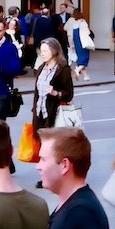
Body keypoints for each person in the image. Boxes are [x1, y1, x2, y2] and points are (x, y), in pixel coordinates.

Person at [33, 38, 73, 187]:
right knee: (43, 147)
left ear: (54, 51)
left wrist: (55, 93)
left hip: (53, 114)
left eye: (45, 51)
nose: (42, 54)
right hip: (40, 113)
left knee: (53, 148)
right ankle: (46, 176)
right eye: (41, 51)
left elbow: (69, 93)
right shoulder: (42, 67)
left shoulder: (63, 69)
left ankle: (54, 176)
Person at [71, 10, 93, 81]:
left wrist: (72, 44)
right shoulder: (83, 22)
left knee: (80, 58)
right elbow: (87, 32)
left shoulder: (74, 23)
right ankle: (77, 69)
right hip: (83, 42)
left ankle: (85, 76)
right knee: (85, 58)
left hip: (77, 42)